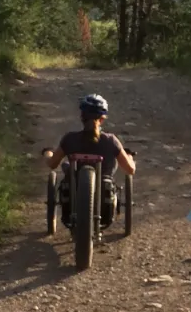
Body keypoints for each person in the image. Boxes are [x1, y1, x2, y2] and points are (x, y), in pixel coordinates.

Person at [43, 94, 135, 225]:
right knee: (111, 166)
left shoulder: (70, 139)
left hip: (74, 194)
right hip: (103, 200)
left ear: (82, 117)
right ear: (102, 119)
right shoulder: (111, 141)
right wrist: (129, 157)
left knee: (67, 166)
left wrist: (48, 154)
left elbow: (52, 164)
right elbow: (130, 170)